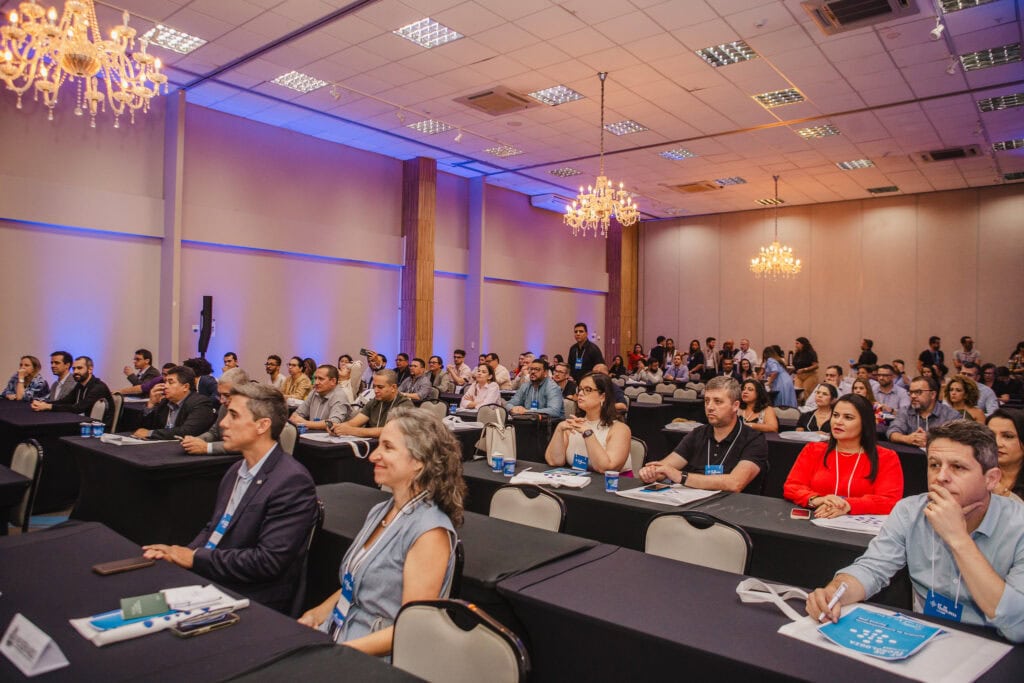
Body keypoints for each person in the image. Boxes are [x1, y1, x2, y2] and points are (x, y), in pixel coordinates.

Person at [805, 420, 1024, 643]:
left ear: (991, 479)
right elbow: (873, 568)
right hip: (927, 637)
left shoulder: (1019, 526)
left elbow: (1018, 625)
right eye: (935, 465)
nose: (941, 477)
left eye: (958, 467)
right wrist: (835, 592)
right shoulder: (910, 511)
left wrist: (957, 538)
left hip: (997, 646)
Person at [299, 408, 464, 656]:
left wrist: (335, 653)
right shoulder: (380, 510)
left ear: (418, 460)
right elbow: (356, 584)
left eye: (387, 447)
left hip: (371, 658)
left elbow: (412, 628)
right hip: (340, 634)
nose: (373, 456)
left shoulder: (429, 533)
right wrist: (317, 613)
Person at [144, 383, 318, 614]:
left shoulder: (292, 481)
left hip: (252, 598)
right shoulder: (236, 469)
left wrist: (194, 558)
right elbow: (214, 528)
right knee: (139, 598)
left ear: (262, 425)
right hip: (215, 575)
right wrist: (179, 554)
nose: (223, 423)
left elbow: (267, 562)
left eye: (233, 415)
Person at [638, 376, 767, 493]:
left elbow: (735, 483)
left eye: (718, 401)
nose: (710, 407)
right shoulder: (697, 434)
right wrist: (653, 472)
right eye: (707, 401)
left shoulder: (754, 439)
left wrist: (680, 476)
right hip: (694, 505)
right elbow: (667, 466)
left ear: (735, 406)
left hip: (735, 511)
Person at [784, 394, 903, 517]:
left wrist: (848, 504)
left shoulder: (886, 457)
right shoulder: (813, 450)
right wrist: (816, 499)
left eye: (848, 417)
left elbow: (890, 500)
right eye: (835, 415)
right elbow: (792, 486)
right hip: (815, 522)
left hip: (860, 530)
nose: (838, 422)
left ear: (865, 422)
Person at [545, 373, 631, 473]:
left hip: (613, 484)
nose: (580, 393)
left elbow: (607, 468)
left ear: (602, 396)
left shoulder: (619, 429)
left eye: (587, 390)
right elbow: (554, 461)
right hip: (579, 481)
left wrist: (588, 433)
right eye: (580, 389)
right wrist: (559, 429)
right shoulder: (574, 424)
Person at [133, 366, 218, 440]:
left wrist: (151, 433)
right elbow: (143, 429)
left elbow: (188, 431)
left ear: (185, 387)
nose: (165, 386)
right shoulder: (164, 402)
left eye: (170, 382)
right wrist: (151, 404)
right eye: (165, 382)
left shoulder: (200, 403)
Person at [181, 367, 249, 455]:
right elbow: (214, 432)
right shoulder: (224, 408)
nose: (221, 400)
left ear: (243, 392)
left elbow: (245, 444)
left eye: (227, 395)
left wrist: (207, 447)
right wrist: (196, 440)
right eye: (220, 394)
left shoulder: (255, 411)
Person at [330, 370, 413, 439]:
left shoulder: (405, 405)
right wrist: (337, 427)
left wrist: (350, 430)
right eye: (374, 386)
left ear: (393, 388)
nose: (375, 390)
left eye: (380, 387)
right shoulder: (375, 401)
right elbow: (353, 423)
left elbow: (390, 431)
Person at [30, 356, 113, 423]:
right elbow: (65, 401)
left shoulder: (98, 387)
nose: (75, 371)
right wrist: (43, 403)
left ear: (90, 369)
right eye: (74, 369)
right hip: (84, 423)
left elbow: (78, 408)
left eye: (79, 368)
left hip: (99, 429)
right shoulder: (80, 385)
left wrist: (48, 406)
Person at [887, 376, 961, 447]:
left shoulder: (951, 415)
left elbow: (957, 441)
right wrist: (908, 439)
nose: (913, 396)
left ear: (932, 394)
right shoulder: (905, 411)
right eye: (911, 392)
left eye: (918, 392)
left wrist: (929, 440)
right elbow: (892, 432)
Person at [290, 364, 352, 431]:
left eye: (321, 379)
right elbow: (297, 414)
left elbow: (333, 423)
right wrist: (294, 419)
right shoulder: (314, 392)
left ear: (333, 381)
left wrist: (305, 423)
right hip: (313, 436)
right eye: (315, 378)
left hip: (332, 439)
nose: (316, 382)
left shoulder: (339, 396)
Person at [987, 409, 1024, 502]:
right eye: (991, 435)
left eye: (1008, 436)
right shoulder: (977, 472)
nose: (997, 443)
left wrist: (1003, 493)